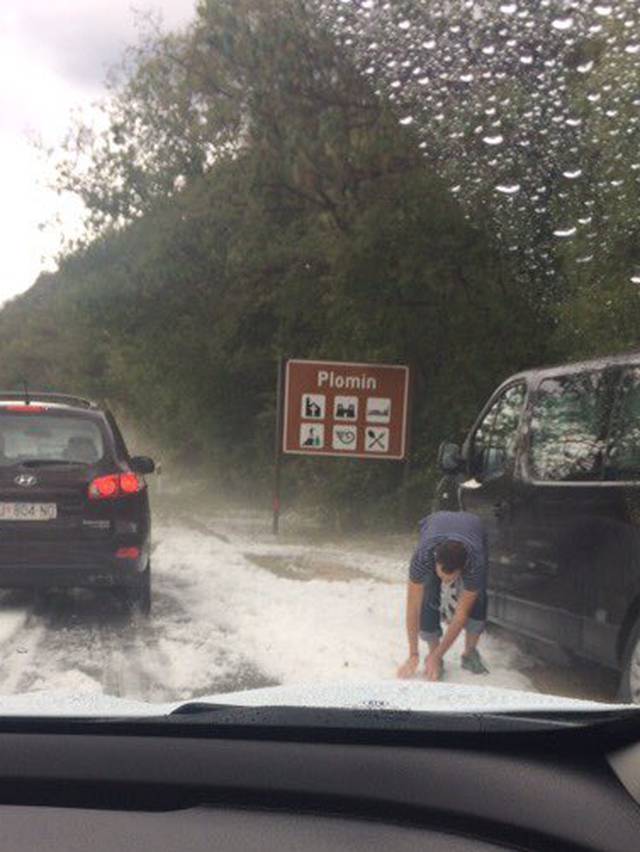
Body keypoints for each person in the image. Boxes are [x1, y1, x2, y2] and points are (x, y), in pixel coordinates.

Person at [397, 511, 489, 681]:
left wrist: (440, 654)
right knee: (429, 592)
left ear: (462, 570)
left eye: (452, 578)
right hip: (434, 525)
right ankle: (432, 652)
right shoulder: (422, 557)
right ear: (436, 562)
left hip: (474, 529)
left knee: (478, 596)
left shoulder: (475, 562)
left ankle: (469, 653)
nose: (445, 581)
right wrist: (413, 654)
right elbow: (413, 607)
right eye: (441, 574)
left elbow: (461, 615)